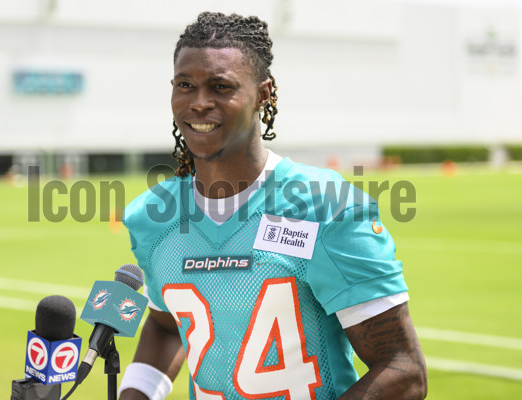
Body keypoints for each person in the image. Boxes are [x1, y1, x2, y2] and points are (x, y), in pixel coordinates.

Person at [118, 11, 427, 400]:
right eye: (185, 84)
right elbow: (166, 326)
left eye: (220, 86)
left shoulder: (326, 207)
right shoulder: (153, 217)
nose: (198, 103)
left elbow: (403, 369)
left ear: (263, 93)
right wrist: (136, 394)